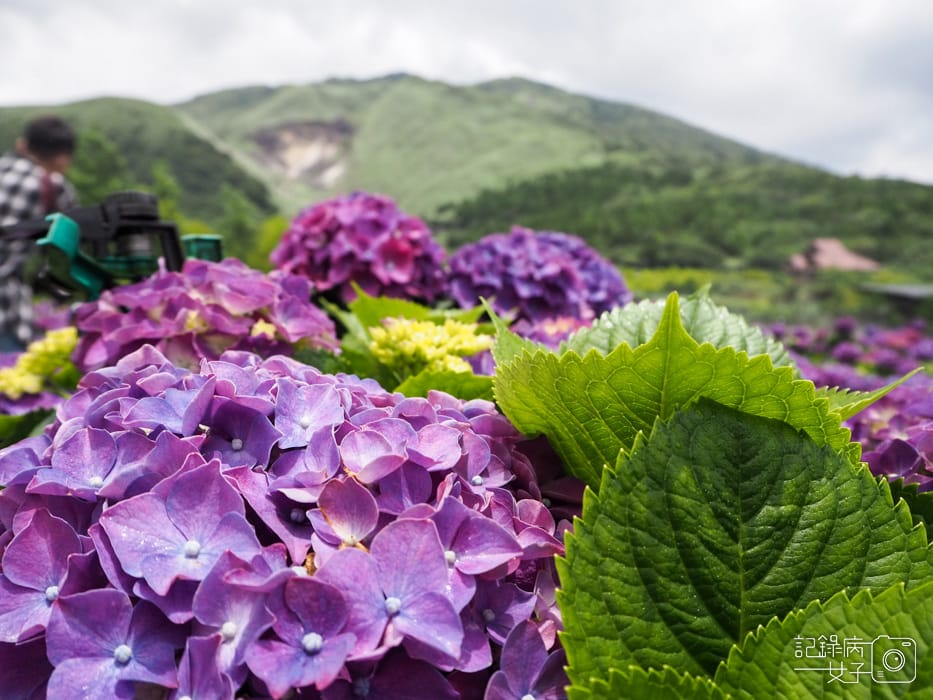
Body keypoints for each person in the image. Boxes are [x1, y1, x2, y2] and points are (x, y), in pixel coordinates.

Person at [0, 115, 77, 351]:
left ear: (23, 145)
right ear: (63, 157)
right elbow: (66, 253)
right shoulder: (53, 185)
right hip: (6, 309)